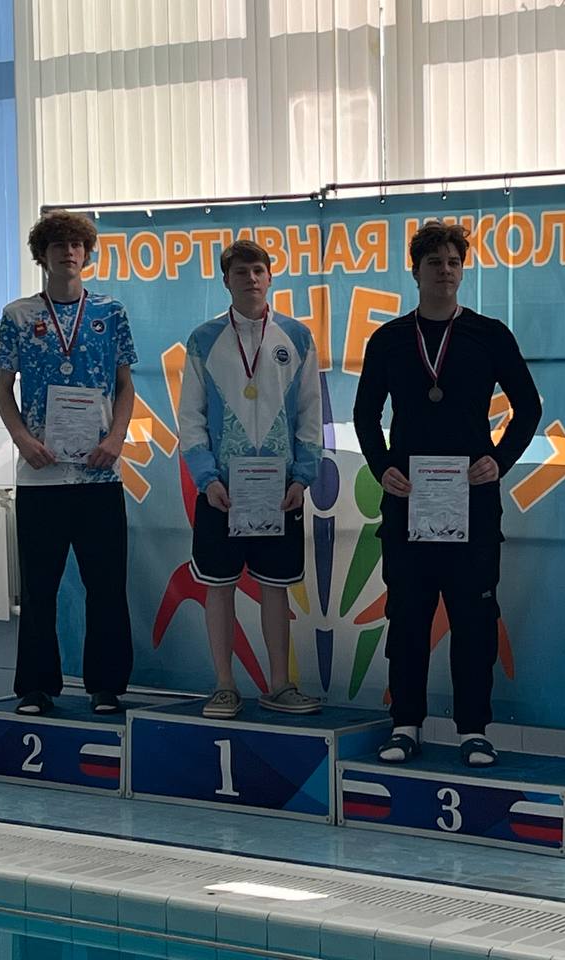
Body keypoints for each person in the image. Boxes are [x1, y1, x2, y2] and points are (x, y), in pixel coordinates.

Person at [353, 220, 541, 767]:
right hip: (408, 499)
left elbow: (529, 408)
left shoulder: (490, 335)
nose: (445, 271)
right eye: (434, 262)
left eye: (453, 262)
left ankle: (473, 730)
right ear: (415, 272)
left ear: (463, 271)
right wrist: (382, 467)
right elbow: (365, 415)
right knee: (408, 616)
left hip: (473, 502)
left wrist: (499, 461)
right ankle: (405, 724)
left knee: (474, 620)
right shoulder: (389, 339)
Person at [0, 209, 138, 716]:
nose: (68, 253)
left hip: (99, 473)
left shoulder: (111, 312)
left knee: (107, 585)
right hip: (41, 476)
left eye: (76, 245)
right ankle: (36, 687)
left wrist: (116, 438)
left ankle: (107, 686)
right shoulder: (18, 315)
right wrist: (21, 440)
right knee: (39, 588)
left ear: (87, 254)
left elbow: (125, 385)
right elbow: (3, 390)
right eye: (58, 245)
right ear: (43, 255)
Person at [178, 239, 324, 719]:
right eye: (241, 272)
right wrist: (206, 479)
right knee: (218, 586)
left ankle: (280, 684)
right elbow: (191, 417)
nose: (251, 279)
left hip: (280, 491)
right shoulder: (203, 339)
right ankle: (224, 686)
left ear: (270, 276)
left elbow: (310, 414)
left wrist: (302, 477)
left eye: (258, 270)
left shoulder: (297, 337)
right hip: (221, 490)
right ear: (226, 280)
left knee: (275, 587)